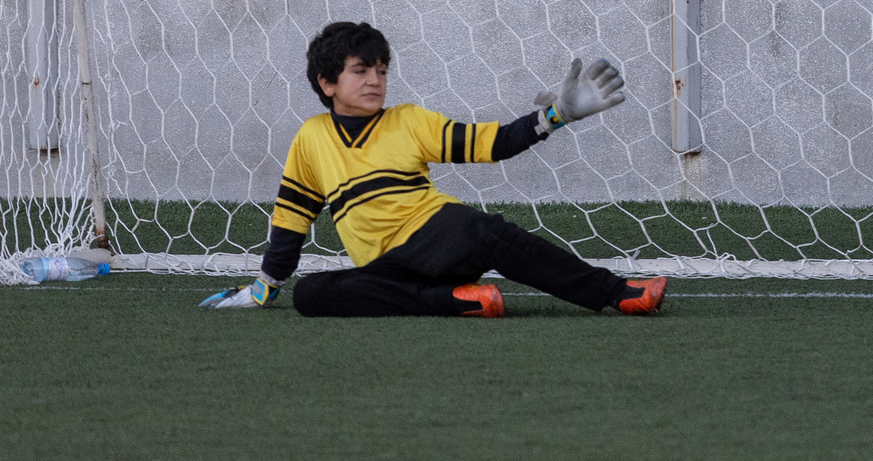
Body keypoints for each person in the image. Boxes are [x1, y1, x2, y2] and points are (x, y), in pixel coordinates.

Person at [201, 20, 668, 318]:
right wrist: (266, 287)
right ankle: (455, 300)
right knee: (311, 297)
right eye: (361, 71)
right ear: (327, 83)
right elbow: (291, 219)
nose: (375, 81)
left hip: (436, 237)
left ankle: (616, 292)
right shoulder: (311, 137)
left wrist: (555, 116)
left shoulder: (407, 120)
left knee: (482, 230)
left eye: (382, 71)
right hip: (388, 269)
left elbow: (495, 143)